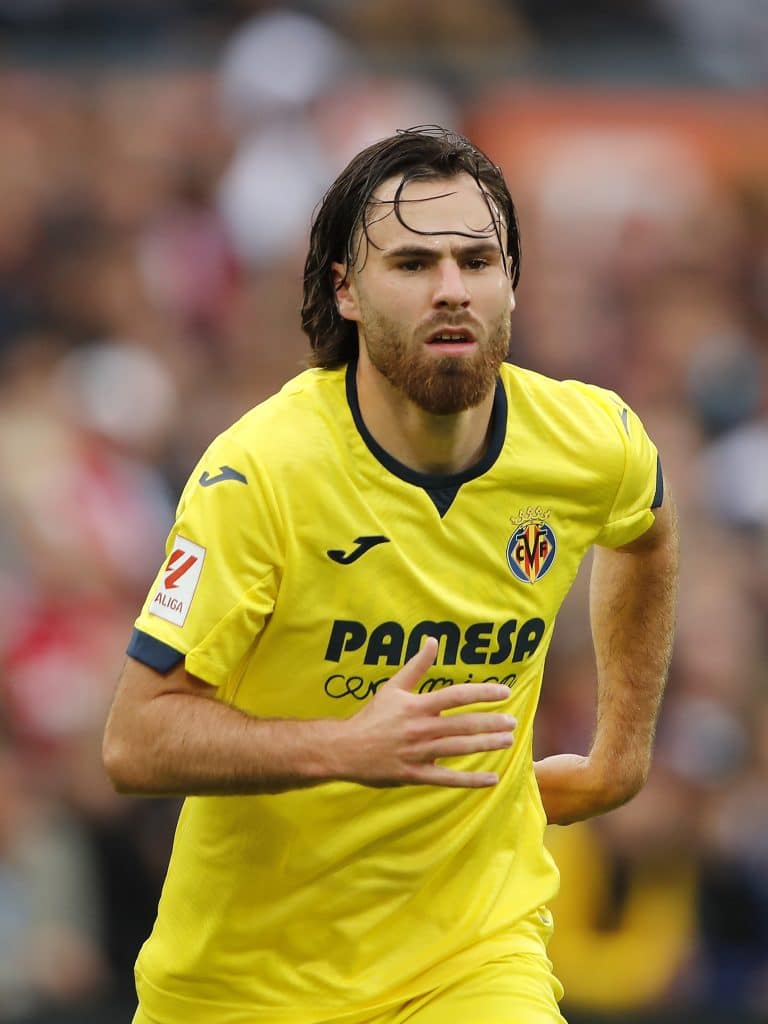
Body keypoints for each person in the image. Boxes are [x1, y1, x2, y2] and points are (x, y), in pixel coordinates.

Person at [103, 126, 679, 1024]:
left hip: (471, 959)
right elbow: (135, 741)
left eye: (477, 260)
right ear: (348, 290)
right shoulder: (260, 474)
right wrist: (343, 747)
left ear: (511, 281)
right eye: (412, 263)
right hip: (241, 987)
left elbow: (645, 532)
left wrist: (620, 756)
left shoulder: (590, 443)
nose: (452, 288)